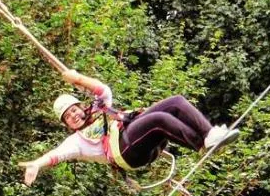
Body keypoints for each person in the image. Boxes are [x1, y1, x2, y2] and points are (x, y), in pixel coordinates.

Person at [19, 69, 240, 186]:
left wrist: (78, 79)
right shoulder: (77, 141)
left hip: (137, 137)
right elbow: (57, 155)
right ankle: (201, 143)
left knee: (176, 102)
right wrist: (36, 165)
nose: (74, 116)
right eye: (68, 117)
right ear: (66, 124)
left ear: (81, 107)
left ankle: (209, 134)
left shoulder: (100, 108)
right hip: (125, 152)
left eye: (74, 110)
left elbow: (102, 89)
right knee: (159, 119)